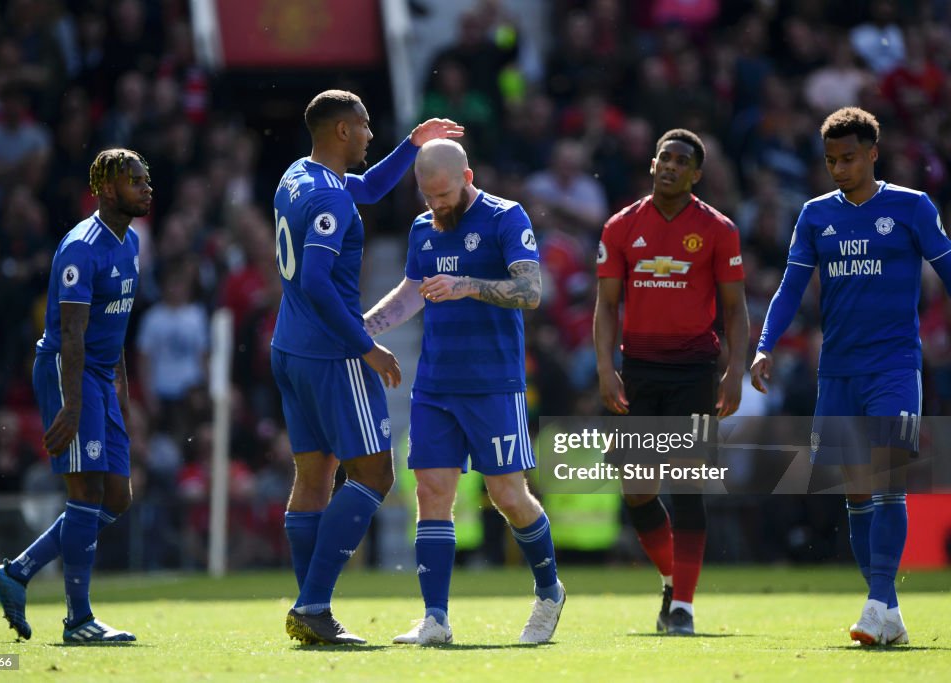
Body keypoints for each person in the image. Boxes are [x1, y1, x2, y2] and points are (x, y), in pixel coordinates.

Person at [750, 107, 951, 646]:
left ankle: (876, 602)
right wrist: (765, 345)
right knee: (857, 493)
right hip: (837, 371)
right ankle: (888, 613)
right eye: (831, 160)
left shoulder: (911, 207)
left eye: (849, 158)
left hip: (894, 367)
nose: (839, 168)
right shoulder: (816, 216)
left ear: (872, 154)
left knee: (888, 481)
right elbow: (790, 289)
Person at [272, 90, 462, 645]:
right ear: (340, 131)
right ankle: (312, 605)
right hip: (330, 353)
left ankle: (310, 607)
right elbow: (315, 282)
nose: (369, 135)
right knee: (375, 474)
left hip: (288, 347)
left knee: (313, 476)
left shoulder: (296, 176)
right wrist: (365, 345)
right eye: (364, 126)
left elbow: (373, 186)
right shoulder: (331, 202)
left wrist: (414, 143)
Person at [364, 139, 565, 646]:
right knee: (431, 494)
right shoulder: (421, 228)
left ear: (467, 177)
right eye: (427, 196)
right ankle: (435, 619)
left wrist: (467, 285)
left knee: (507, 495)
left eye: (444, 195)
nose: (436, 205)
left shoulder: (506, 217)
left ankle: (549, 592)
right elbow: (413, 291)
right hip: (435, 384)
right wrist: (365, 328)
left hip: (493, 383)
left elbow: (531, 291)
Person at [0, 148, 152, 644]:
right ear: (105, 189)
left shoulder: (132, 242)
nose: (146, 188)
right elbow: (73, 334)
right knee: (85, 494)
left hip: (101, 376)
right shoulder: (82, 247)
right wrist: (74, 404)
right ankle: (79, 620)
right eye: (135, 181)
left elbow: (114, 326)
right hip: (67, 372)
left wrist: (121, 395)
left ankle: (17, 572)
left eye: (147, 179)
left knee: (117, 497)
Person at [593, 129, 749, 635]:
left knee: (686, 487)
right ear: (653, 163)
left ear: (696, 175)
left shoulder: (717, 229)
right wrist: (604, 367)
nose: (669, 166)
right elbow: (607, 305)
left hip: (695, 373)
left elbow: (735, 309)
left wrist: (733, 371)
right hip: (638, 370)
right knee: (637, 489)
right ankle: (670, 578)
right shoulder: (621, 227)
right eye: (664, 157)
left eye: (682, 161)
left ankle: (683, 606)